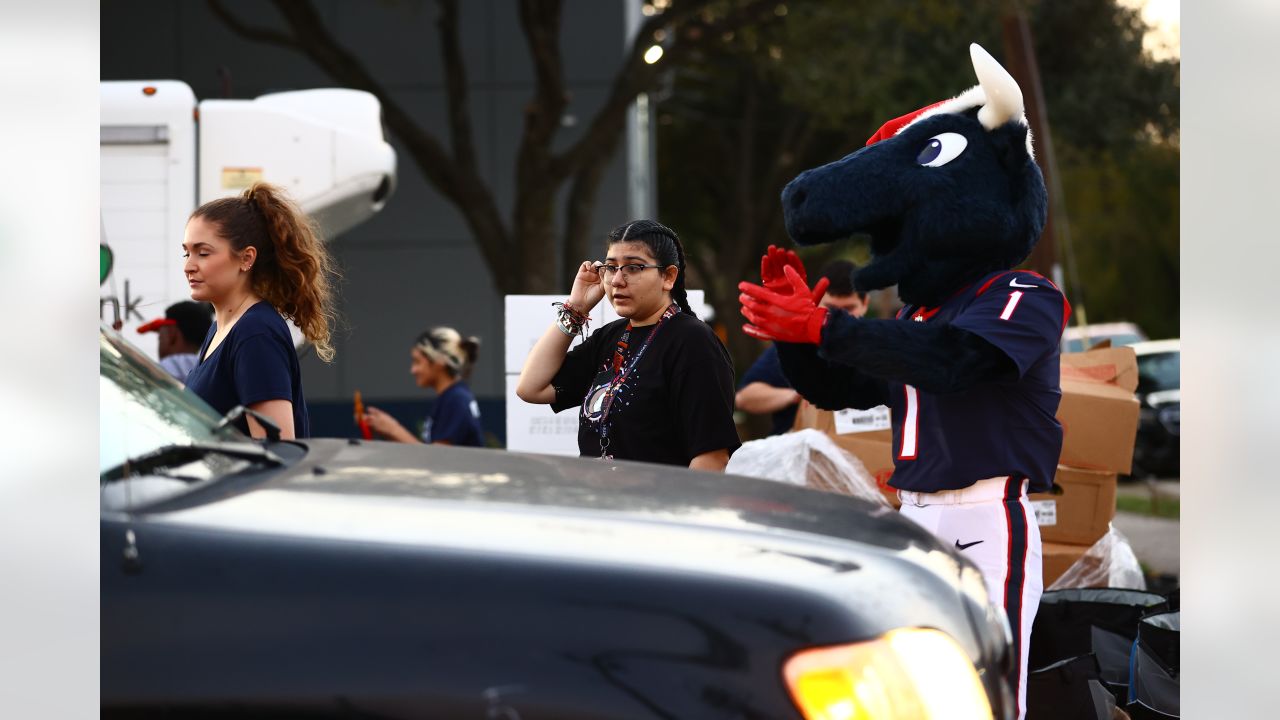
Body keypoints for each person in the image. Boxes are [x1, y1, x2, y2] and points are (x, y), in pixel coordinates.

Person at [516, 220, 740, 470]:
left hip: (653, 505)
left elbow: (711, 456)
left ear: (668, 276)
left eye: (633, 268)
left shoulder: (693, 342)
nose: (617, 281)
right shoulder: (611, 337)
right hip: (598, 504)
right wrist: (576, 310)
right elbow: (531, 388)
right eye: (611, 268)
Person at [181, 182, 337, 440]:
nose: (189, 266)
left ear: (246, 258)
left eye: (203, 253)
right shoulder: (220, 329)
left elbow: (276, 448)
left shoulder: (255, 333)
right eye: (185, 253)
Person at [735, 257, 868, 436]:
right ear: (817, 301)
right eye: (831, 309)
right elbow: (744, 397)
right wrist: (799, 393)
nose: (839, 318)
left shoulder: (880, 346)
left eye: (849, 309)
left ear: (865, 303)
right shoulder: (796, 345)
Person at [362, 327, 485, 446]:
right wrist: (387, 430)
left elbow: (438, 459)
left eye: (417, 361)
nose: (413, 370)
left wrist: (393, 429)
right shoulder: (451, 397)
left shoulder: (456, 399)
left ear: (439, 361)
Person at [136, 300, 214, 382]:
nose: (160, 344)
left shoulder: (162, 372)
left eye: (160, 338)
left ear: (172, 334)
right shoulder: (210, 373)